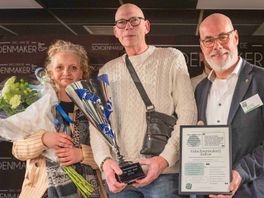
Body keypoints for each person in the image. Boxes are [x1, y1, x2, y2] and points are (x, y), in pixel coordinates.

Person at [90, 3, 197, 198]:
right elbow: (98, 124)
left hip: (164, 175)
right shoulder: (106, 71)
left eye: (134, 20)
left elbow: (188, 114)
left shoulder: (171, 58)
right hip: (121, 175)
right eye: (121, 22)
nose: (128, 26)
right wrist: (105, 162)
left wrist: (164, 159)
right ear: (115, 31)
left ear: (146, 26)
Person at [12, 40, 107, 198]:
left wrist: (83, 155)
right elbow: (17, 150)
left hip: (88, 191)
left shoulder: (95, 107)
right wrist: (43, 139)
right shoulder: (36, 105)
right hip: (43, 192)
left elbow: (111, 154)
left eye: (73, 68)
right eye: (59, 67)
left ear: (82, 72)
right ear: (49, 72)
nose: (66, 72)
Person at [195, 13, 264, 198]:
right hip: (208, 192)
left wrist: (240, 173)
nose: (217, 46)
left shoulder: (261, 80)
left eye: (223, 37)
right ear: (202, 46)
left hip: (252, 190)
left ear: (235, 37)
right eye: (209, 40)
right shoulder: (201, 89)